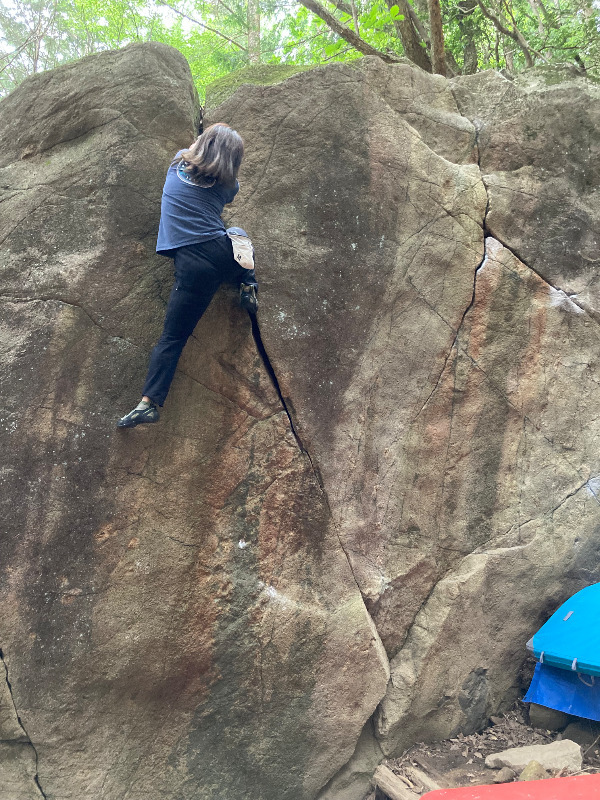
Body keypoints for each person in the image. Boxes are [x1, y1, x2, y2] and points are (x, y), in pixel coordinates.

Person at [117, 122, 258, 429]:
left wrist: (206, 139)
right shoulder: (228, 185)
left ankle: (148, 403)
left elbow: (193, 151)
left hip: (191, 265)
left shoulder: (175, 163)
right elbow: (230, 191)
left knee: (172, 338)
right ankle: (248, 284)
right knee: (237, 232)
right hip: (222, 254)